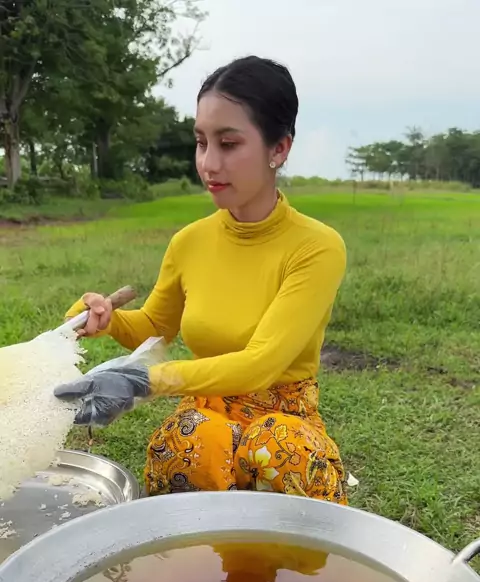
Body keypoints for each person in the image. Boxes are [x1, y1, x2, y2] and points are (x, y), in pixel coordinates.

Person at [56, 56, 348, 502]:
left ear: (279, 148)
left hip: (282, 416)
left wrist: (142, 382)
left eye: (228, 144)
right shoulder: (190, 241)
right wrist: (105, 317)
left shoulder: (316, 247)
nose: (209, 163)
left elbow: (260, 364)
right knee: (189, 442)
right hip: (206, 413)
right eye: (201, 142)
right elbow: (154, 326)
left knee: (279, 447)